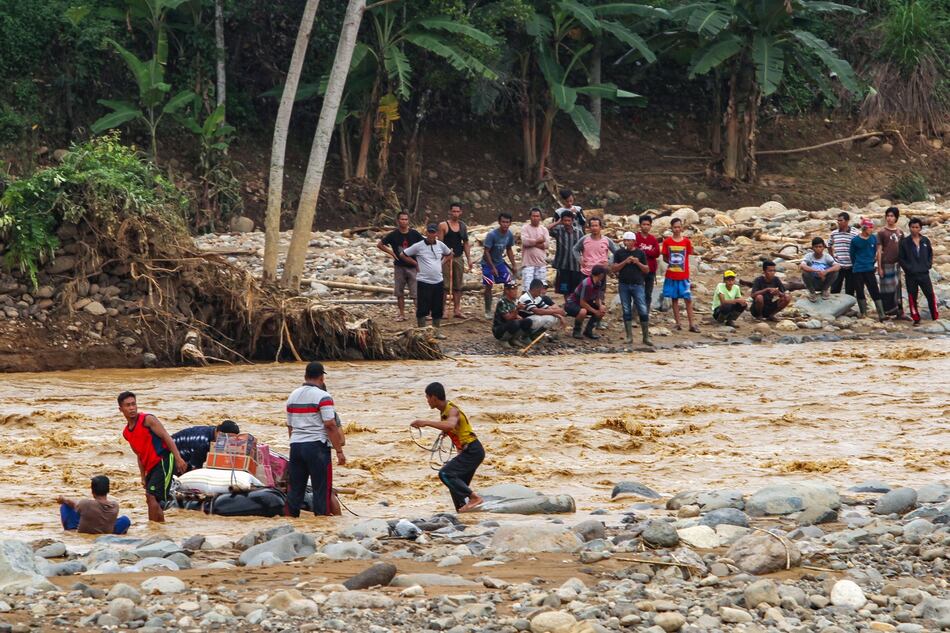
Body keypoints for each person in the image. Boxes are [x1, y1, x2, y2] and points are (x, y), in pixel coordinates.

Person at [411, 382, 484, 513]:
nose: (427, 401)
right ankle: (463, 512)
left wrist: (425, 422)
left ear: (434, 397)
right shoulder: (444, 412)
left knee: (445, 474)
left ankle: (475, 498)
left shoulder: (452, 410)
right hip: (468, 452)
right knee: (455, 486)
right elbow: (452, 427)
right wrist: (445, 432)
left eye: (427, 397)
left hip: (473, 450)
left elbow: (450, 425)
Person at [285, 361, 346, 517]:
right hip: (317, 447)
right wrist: (339, 451)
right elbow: (330, 425)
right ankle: (321, 525)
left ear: (305, 376)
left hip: (296, 446)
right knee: (321, 490)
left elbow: (290, 426)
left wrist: (295, 443)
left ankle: (290, 522)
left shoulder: (292, 396)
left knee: (295, 490)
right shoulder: (323, 396)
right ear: (321, 378)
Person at [118, 391, 187, 523]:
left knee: (152, 496)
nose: (132, 408)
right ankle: (158, 527)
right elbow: (139, 455)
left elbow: (167, 437)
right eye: (128, 405)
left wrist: (178, 459)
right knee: (150, 498)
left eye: (133, 404)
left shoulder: (147, 420)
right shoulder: (126, 433)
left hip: (164, 461)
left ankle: (154, 527)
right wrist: (143, 476)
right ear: (121, 409)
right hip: (151, 467)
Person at [401, 223, 453, 339]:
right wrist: (415, 263)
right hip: (424, 281)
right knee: (423, 307)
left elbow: (449, 254)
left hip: (438, 281)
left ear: (437, 233)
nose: (431, 234)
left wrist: (442, 262)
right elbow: (403, 254)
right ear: (426, 233)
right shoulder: (418, 246)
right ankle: (421, 330)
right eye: (430, 232)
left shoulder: (440, 245)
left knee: (437, 307)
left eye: (434, 232)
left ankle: (436, 331)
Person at [377, 211, 424, 322]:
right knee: (399, 292)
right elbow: (380, 244)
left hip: (413, 266)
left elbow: (423, 245)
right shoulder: (393, 234)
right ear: (398, 221)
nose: (404, 221)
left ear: (408, 221)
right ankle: (402, 314)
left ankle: (420, 313)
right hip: (399, 266)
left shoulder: (414, 234)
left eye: (406, 219)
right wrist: (391, 253)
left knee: (416, 292)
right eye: (402, 219)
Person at [611, 231, 652, 346]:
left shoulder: (640, 253)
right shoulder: (619, 253)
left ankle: (646, 337)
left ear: (634, 242)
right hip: (623, 284)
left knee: (643, 309)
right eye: (625, 240)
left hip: (638, 284)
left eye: (629, 240)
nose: (627, 243)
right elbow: (614, 268)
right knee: (626, 309)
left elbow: (646, 269)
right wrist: (625, 261)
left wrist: (637, 263)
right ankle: (629, 336)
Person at [899, 217, 939, 325]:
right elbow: (901, 258)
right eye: (912, 227)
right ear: (909, 228)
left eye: (917, 227)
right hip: (910, 275)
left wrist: (928, 265)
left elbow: (930, 254)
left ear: (920, 228)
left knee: (930, 294)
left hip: (924, 273)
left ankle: (935, 316)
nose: (914, 229)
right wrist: (908, 268)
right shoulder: (904, 242)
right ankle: (916, 318)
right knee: (912, 296)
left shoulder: (925, 240)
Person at [58, 475, 131, 535]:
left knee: (65, 506)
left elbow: (72, 503)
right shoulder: (115, 506)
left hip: (85, 531)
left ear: (92, 491)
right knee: (125, 520)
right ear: (108, 491)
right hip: (107, 531)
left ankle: (71, 530)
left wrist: (63, 499)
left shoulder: (86, 504)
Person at [661, 218, 699, 332]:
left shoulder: (686, 242)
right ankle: (678, 323)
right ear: (671, 228)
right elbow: (665, 257)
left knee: (688, 299)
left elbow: (689, 254)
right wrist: (673, 264)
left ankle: (691, 324)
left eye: (679, 227)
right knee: (674, 299)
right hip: (672, 275)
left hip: (684, 275)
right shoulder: (667, 242)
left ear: (682, 228)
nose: (677, 229)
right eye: (675, 227)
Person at [437, 203, 472, 319]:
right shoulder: (443, 225)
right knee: (445, 285)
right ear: (450, 212)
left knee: (458, 285)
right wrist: (443, 257)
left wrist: (469, 259)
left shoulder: (462, 226)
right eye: (453, 211)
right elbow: (439, 244)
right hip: (446, 258)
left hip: (458, 257)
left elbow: (465, 243)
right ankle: (443, 310)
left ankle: (457, 309)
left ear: (461, 212)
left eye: (458, 211)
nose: (455, 214)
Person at [481, 213, 518, 319]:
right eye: (503, 222)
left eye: (507, 222)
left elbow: (509, 249)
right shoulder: (492, 235)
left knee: (508, 282)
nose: (505, 224)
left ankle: (502, 307)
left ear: (510, 223)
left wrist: (514, 264)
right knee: (489, 284)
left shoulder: (509, 234)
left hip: (500, 262)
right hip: (487, 263)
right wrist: (492, 267)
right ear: (499, 222)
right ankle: (488, 310)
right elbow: (486, 252)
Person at [850, 217, 886, 320]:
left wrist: (874, 263)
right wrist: (856, 264)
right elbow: (852, 255)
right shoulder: (855, 240)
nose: (872, 230)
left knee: (874, 290)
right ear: (864, 228)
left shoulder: (873, 238)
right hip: (858, 269)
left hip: (869, 268)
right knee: (860, 291)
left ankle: (881, 314)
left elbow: (877, 251)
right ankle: (863, 313)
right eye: (870, 228)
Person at [172, 420, 240, 472]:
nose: (229, 441)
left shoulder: (213, 432)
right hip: (170, 454)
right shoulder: (203, 442)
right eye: (229, 437)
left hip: (185, 453)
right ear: (219, 433)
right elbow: (195, 468)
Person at [877, 206, 906, 318]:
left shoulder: (900, 232)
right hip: (886, 263)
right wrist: (879, 267)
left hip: (897, 264)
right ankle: (887, 311)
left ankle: (899, 311)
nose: (889, 218)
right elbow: (879, 250)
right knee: (886, 288)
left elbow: (903, 249)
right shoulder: (882, 232)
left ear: (896, 218)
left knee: (897, 287)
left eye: (892, 216)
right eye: (888, 216)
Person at [565, 265, 607, 339]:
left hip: (585, 303)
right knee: (583, 311)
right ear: (601, 275)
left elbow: (597, 298)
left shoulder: (598, 283)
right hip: (572, 304)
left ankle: (588, 331)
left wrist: (600, 306)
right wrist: (595, 311)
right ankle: (576, 331)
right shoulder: (587, 284)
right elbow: (582, 302)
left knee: (601, 310)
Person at [549, 210, 584, 297]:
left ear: (572, 221)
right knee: (564, 289)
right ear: (562, 220)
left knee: (576, 289)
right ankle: (568, 304)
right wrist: (557, 222)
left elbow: (583, 247)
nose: (567, 223)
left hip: (575, 265)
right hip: (562, 265)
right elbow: (545, 229)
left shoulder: (579, 232)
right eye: (565, 220)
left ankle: (573, 304)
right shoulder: (558, 231)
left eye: (569, 220)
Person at [492, 281, 533, 346]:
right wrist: (517, 309)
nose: (516, 291)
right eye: (513, 289)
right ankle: (503, 339)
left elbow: (518, 314)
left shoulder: (515, 301)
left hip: (509, 325)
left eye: (516, 289)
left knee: (528, 321)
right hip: (499, 329)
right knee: (515, 323)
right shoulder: (502, 302)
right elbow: (508, 318)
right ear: (507, 291)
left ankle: (514, 338)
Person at [828, 211, 858, 296]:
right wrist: (832, 257)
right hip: (838, 265)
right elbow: (829, 245)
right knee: (834, 288)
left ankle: (848, 308)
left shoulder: (855, 233)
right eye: (838, 220)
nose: (838, 222)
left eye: (841, 220)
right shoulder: (834, 233)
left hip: (851, 265)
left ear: (847, 221)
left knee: (850, 289)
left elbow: (859, 247)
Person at [634, 215, 661, 311]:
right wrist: (650, 251)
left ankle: (645, 313)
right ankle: (636, 314)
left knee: (648, 293)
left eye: (648, 224)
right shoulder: (635, 238)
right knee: (638, 292)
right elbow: (636, 252)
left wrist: (643, 251)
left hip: (651, 270)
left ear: (651, 226)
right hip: (638, 270)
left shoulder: (653, 239)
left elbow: (657, 253)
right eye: (644, 224)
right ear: (640, 225)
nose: (646, 226)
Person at [520, 207, 549, 292]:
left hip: (541, 263)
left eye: (537, 216)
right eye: (533, 216)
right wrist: (538, 241)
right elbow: (525, 242)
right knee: (527, 287)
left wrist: (532, 242)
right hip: (528, 263)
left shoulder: (544, 229)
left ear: (540, 217)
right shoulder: (525, 228)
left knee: (540, 288)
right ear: (530, 217)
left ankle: (539, 304)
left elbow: (546, 244)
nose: (535, 218)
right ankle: (527, 304)